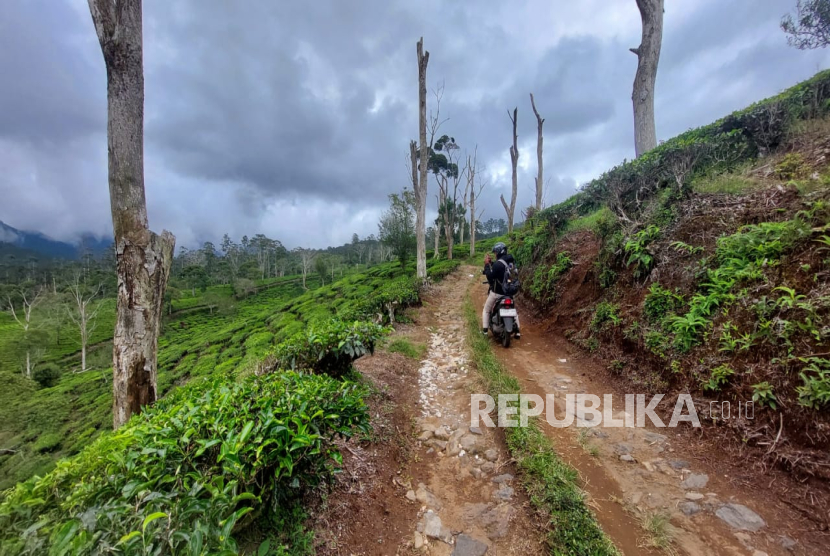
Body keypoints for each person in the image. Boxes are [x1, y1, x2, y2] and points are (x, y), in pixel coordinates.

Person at [481, 242, 520, 338]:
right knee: (513, 310)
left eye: (495, 252)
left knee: (486, 310)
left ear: (498, 252)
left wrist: (486, 265)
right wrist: (491, 263)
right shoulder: (511, 262)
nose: (494, 254)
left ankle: (485, 331)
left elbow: (490, 277)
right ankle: (518, 332)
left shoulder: (497, 264)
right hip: (509, 292)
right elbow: (502, 269)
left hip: (497, 293)